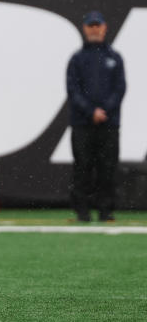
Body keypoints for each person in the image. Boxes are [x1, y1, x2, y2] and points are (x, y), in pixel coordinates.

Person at [67, 11, 125, 223]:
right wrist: (91, 112)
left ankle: (106, 211)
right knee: (83, 166)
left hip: (109, 124)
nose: (94, 29)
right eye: (90, 26)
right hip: (82, 123)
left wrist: (105, 111)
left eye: (97, 25)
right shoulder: (77, 59)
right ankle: (82, 211)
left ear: (104, 27)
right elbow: (73, 90)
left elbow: (120, 89)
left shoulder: (114, 58)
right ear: (85, 29)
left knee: (107, 167)